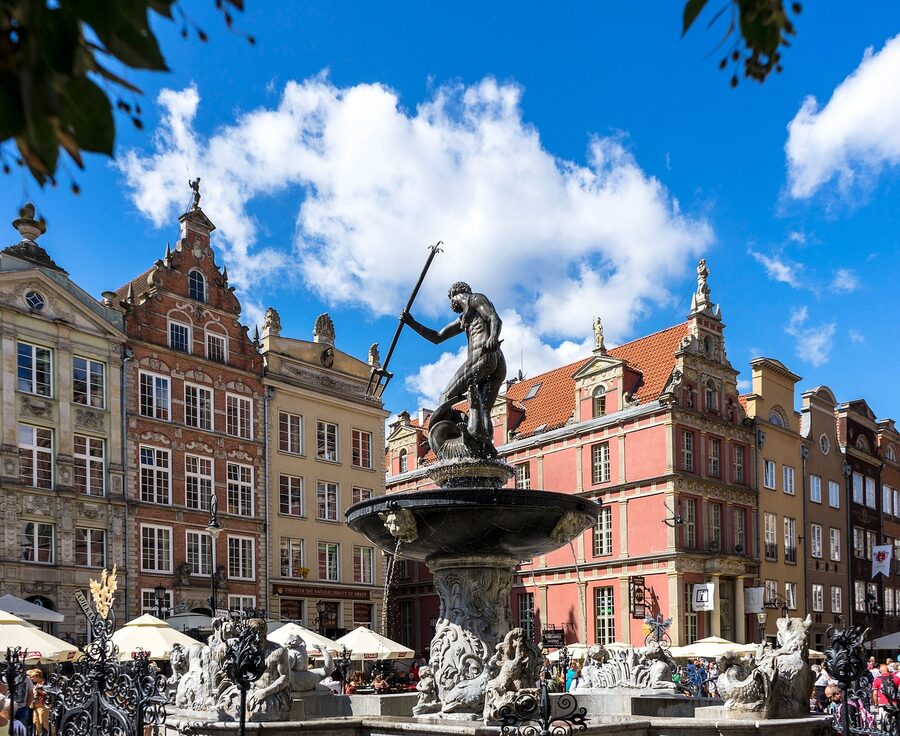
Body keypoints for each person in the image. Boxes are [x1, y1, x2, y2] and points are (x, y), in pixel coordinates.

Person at [400, 281, 506, 458]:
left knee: (445, 397)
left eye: (451, 299)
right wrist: (412, 323)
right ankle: (485, 450)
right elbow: (437, 337)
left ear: (454, 296)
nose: (452, 305)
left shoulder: (475, 299)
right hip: (497, 362)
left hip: (483, 355)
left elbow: (495, 319)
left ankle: (454, 437)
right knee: (483, 410)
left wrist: (493, 337)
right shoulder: (465, 316)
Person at [29, 669, 49, 736]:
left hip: (42, 706)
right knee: (36, 723)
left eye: (33, 677)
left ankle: (55, 733)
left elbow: (48, 693)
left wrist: (39, 691)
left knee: (44, 723)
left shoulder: (44, 683)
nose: (31, 679)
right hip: (36, 706)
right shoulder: (37, 684)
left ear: (37, 676)